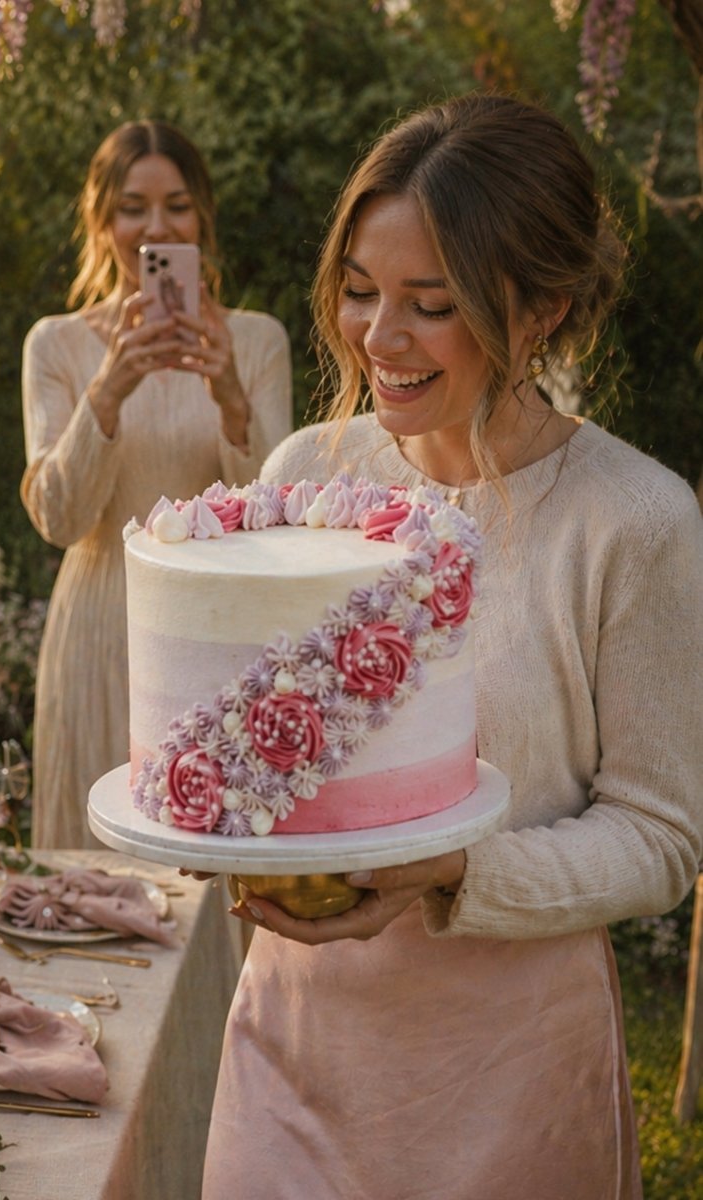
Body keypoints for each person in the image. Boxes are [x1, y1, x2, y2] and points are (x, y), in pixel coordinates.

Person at [201, 92, 703, 1199]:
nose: (377, 337)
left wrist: (451, 870)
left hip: (512, 1061)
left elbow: (660, 838)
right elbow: (255, 741)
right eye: (361, 290)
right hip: (296, 1034)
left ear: (540, 313)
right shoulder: (301, 480)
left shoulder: (637, 520)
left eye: (430, 304)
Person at [21, 120, 293, 850]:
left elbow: (282, 522)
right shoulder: (57, 343)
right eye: (132, 208)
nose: (154, 227)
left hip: (217, 630)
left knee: (212, 858)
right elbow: (56, 517)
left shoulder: (258, 339)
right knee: (99, 868)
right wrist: (108, 389)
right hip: (99, 620)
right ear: (101, 221)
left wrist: (230, 392)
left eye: (175, 205)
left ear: (201, 214)